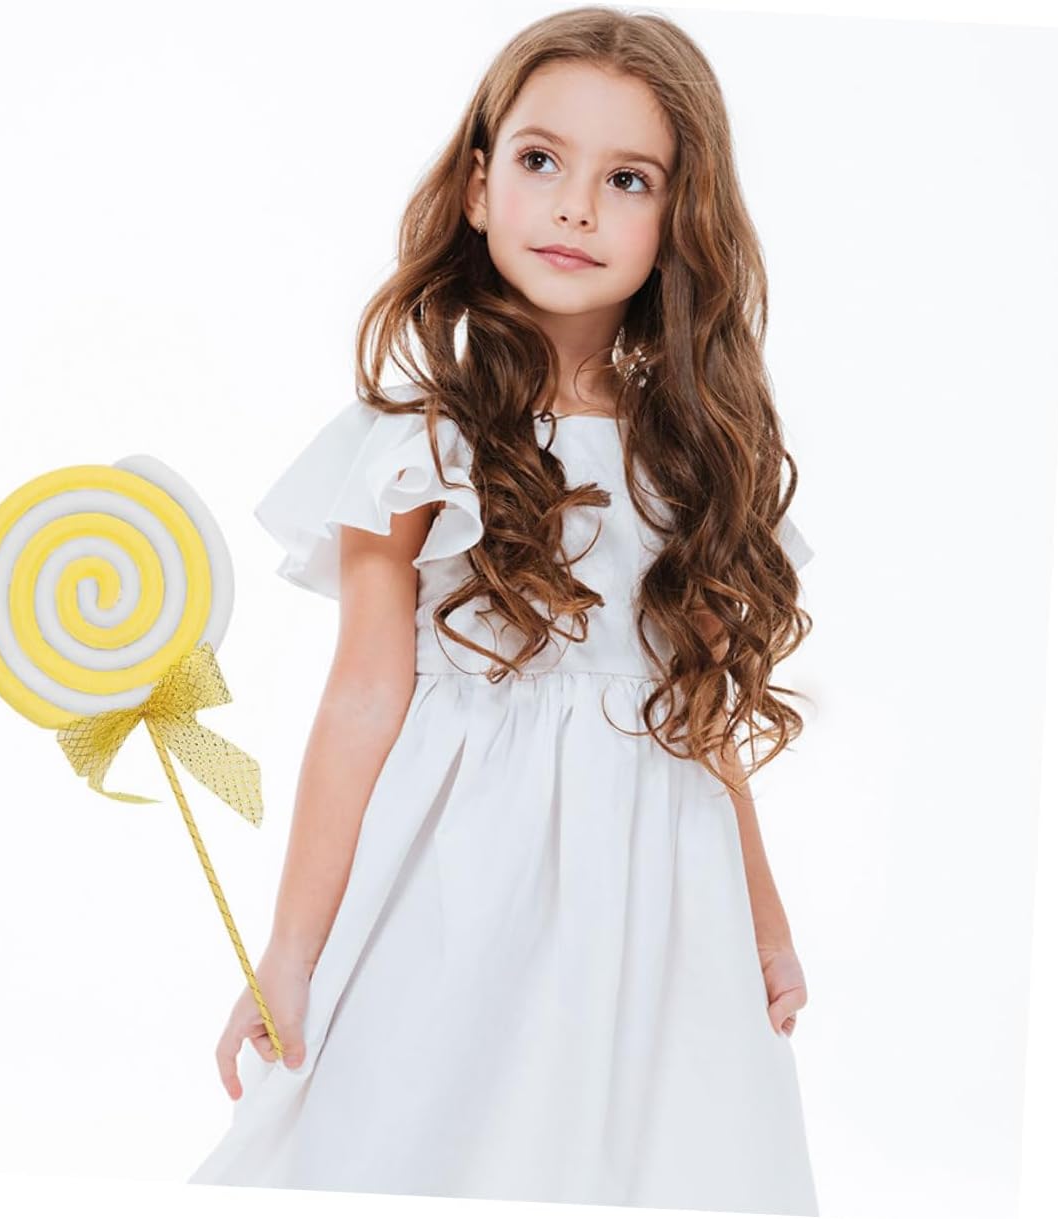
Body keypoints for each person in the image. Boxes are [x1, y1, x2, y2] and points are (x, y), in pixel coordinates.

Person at [188, 6, 820, 1213]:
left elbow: (702, 717)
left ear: (676, 220)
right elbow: (362, 699)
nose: (576, 207)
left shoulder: (692, 460)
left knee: (652, 1159)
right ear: (478, 187)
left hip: (657, 897)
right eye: (541, 160)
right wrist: (290, 951)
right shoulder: (416, 443)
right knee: (425, 1137)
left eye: (626, 179)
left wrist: (766, 920)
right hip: (461, 880)